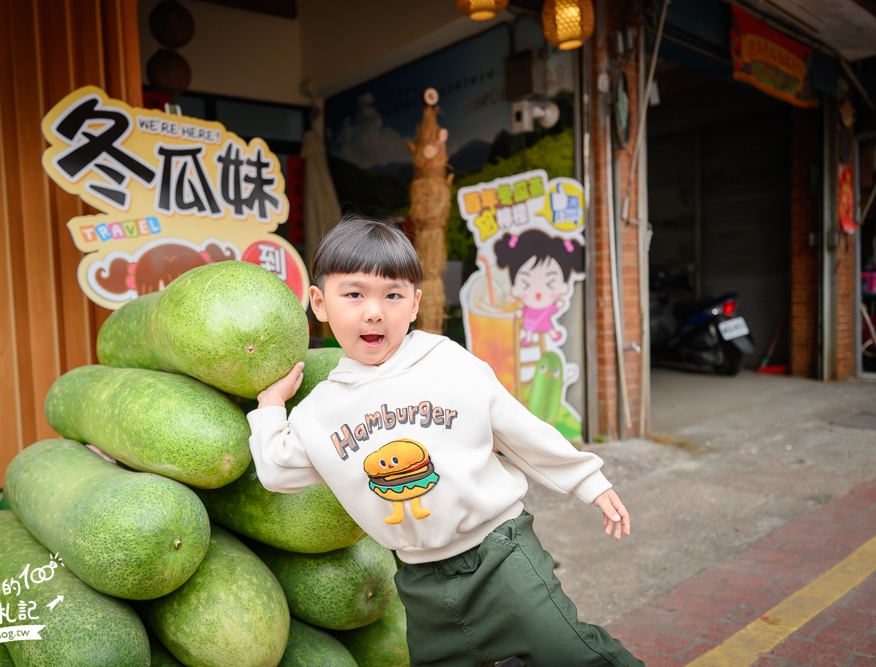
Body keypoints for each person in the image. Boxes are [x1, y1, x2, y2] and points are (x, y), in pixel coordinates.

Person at [248, 217, 643, 667]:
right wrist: (270, 407)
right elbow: (277, 470)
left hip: (500, 555)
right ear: (319, 302)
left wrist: (590, 481)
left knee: (571, 653)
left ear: (415, 303)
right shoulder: (320, 411)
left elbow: (519, 429)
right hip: (419, 580)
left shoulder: (448, 362)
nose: (374, 312)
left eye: (392, 295)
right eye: (354, 294)